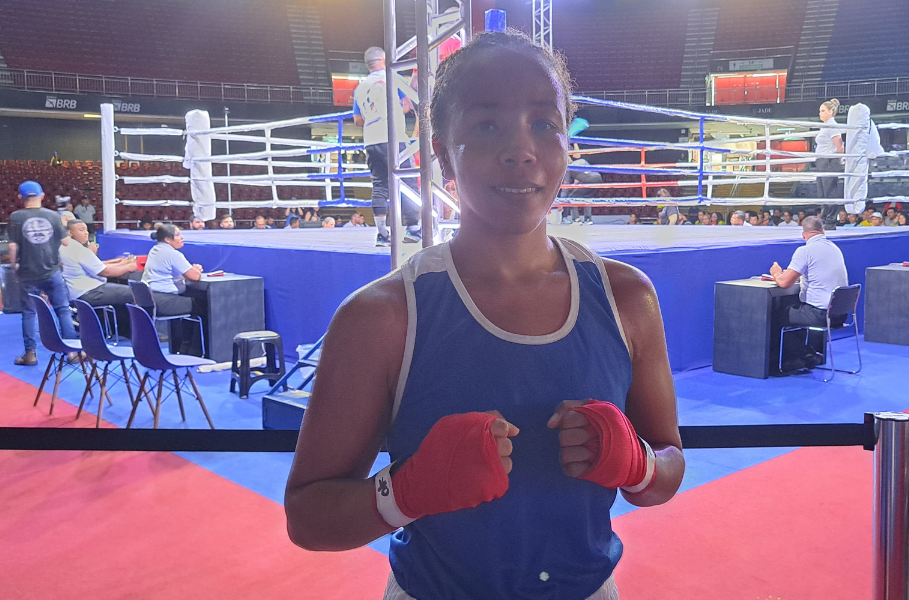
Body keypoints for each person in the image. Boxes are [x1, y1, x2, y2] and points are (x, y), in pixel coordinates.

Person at [284, 30, 684, 600]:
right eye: (486, 124)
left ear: (568, 144)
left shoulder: (627, 298)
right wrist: (408, 490)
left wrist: (636, 464)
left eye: (544, 123)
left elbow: (668, 467)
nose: (521, 149)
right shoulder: (382, 317)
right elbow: (308, 518)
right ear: (443, 153)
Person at [9, 181, 80, 365]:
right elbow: (65, 242)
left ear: (20, 198)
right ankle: (71, 352)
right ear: (42, 196)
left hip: (27, 273)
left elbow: (13, 246)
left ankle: (30, 354)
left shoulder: (16, 217)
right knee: (63, 310)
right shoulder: (53, 216)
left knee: (29, 313)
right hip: (52, 271)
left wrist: (14, 266)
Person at [354, 46, 419, 247]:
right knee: (408, 182)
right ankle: (414, 229)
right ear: (383, 60)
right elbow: (407, 104)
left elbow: (357, 120)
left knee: (380, 185)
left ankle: (382, 234)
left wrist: (374, 116)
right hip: (394, 137)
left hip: (371, 140)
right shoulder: (393, 77)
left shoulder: (359, 87)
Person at [769, 216, 849, 368]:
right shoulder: (834, 248)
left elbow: (784, 283)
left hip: (820, 315)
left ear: (803, 234)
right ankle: (806, 353)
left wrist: (776, 273)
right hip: (839, 314)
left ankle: (788, 359)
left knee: (778, 314)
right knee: (797, 308)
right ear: (823, 231)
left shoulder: (805, 250)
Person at [61, 220, 136, 333]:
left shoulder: (65, 247)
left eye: (86, 230)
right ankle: (133, 332)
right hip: (91, 292)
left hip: (77, 292)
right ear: (70, 233)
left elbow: (96, 266)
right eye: (81, 230)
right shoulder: (79, 250)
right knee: (134, 292)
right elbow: (105, 272)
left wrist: (119, 262)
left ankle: (120, 330)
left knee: (120, 289)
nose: (86, 233)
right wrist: (129, 267)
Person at [141, 224, 205, 354]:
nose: (181, 238)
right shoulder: (172, 254)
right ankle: (195, 350)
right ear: (167, 239)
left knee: (190, 302)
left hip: (151, 298)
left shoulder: (155, 249)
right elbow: (194, 276)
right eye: (177, 235)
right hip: (165, 301)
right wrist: (196, 270)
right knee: (206, 306)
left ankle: (183, 347)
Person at [815, 99, 844, 221]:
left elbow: (839, 143)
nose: (820, 113)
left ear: (831, 111)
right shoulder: (825, 126)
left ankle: (830, 220)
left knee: (829, 192)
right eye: (820, 111)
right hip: (822, 161)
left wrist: (839, 159)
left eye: (823, 111)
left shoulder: (832, 125)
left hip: (829, 161)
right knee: (822, 193)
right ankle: (825, 218)